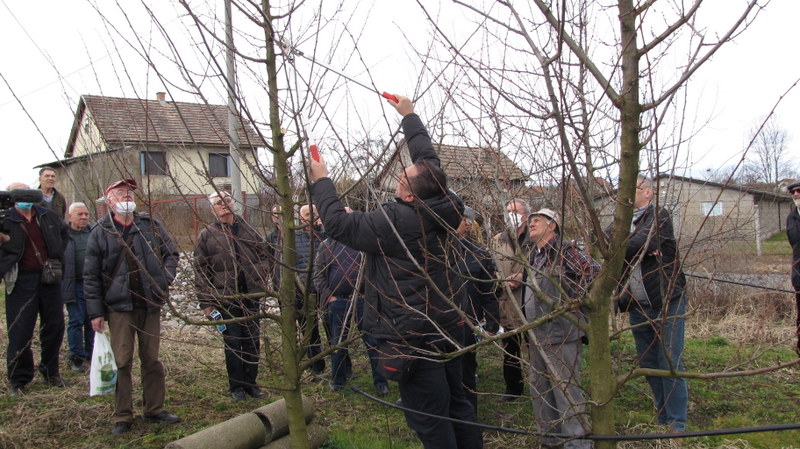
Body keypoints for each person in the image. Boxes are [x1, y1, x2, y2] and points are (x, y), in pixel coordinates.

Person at [309, 95, 483, 449]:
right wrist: (409, 115)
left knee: (431, 420)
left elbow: (339, 225)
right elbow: (426, 156)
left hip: (414, 337)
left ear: (408, 196)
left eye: (403, 177)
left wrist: (321, 180)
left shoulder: (396, 222)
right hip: (447, 326)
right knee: (460, 405)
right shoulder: (446, 202)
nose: (401, 174)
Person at [84, 179, 181, 435]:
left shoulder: (150, 225)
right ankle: (123, 415)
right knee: (122, 361)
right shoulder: (100, 231)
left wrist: (164, 279)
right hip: (119, 309)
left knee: (152, 360)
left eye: (129, 191)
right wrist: (95, 312)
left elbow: (172, 254)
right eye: (120, 192)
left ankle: (155, 409)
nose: (127, 195)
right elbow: (91, 275)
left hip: (150, 305)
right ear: (109, 200)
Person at [614, 177, 688, 433]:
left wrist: (630, 247)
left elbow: (639, 243)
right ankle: (663, 416)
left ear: (647, 192)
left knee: (669, 361)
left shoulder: (660, 215)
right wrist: (633, 248)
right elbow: (602, 242)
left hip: (666, 300)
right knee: (648, 365)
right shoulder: (622, 221)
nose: (624, 193)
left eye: (631, 188)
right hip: (637, 305)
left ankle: (677, 422)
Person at [523, 209, 598, 449]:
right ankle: (549, 441)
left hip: (562, 336)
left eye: (537, 220)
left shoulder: (566, 252)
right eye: (529, 220)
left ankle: (576, 444)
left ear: (552, 226)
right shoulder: (534, 255)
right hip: (537, 336)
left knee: (566, 394)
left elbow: (595, 274)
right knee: (541, 391)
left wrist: (574, 302)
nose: (531, 223)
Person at [194, 191, 271, 401]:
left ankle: (251, 384)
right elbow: (201, 271)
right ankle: (236, 386)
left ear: (233, 204)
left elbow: (265, 254)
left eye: (226, 200)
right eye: (218, 203)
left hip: (251, 296)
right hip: (226, 299)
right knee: (233, 342)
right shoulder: (207, 235)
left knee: (252, 342)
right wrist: (206, 303)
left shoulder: (248, 229)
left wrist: (261, 273)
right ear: (213, 209)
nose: (224, 205)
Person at [0, 183, 69, 397]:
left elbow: (64, 234)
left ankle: (51, 372)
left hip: (49, 277)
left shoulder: (46, 216)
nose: (24, 197)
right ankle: (19, 379)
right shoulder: (5, 219)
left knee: (55, 326)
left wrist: (56, 256)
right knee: (20, 330)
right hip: (21, 280)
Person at [313, 207, 389, 395]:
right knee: (338, 343)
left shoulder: (364, 243)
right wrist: (330, 296)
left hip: (364, 300)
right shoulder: (327, 246)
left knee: (372, 341)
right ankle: (338, 382)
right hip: (339, 302)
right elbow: (319, 275)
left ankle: (381, 382)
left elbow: (377, 270)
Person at [452, 205, 499, 411]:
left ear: (468, 224)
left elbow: (488, 291)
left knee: (466, 371)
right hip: (439, 321)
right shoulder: (436, 249)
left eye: (459, 218)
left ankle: (469, 413)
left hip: (468, 322)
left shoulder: (479, 253)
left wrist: (492, 322)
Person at [491, 198, 533, 401]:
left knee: (535, 347)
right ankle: (513, 389)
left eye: (514, 211)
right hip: (507, 302)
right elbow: (489, 268)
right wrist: (503, 280)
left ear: (525, 215)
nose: (510, 215)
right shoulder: (498, 239)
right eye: (508, 211)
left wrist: (523, 278)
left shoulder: (535, 238)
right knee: (510, 348)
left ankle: (540, 386)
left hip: (531, 300)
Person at [293, 203, 326, 375]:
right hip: (304, 292)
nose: (311, 217)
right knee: (309, 331)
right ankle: (316, 366)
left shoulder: (327, 235)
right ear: (301, 218)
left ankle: (342, 366)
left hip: (327, 290)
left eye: (313, 213)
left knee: (332, 328)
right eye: (307, 214)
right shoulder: (293, 237)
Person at [62, 202, 94, 372]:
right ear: (70, 217)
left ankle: (91, 354)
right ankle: (76, 357)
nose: (83, 217)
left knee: (92, 320)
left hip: (92, 283)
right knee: (76, 319)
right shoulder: (63, 235)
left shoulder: (94, 233)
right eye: (79, 214)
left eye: (86, 214)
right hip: (72, 283)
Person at [786, 179, 800, 355]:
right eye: (793, 192)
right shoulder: (792, 217)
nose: (796, 194)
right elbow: (793, 243)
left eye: (799, 190)